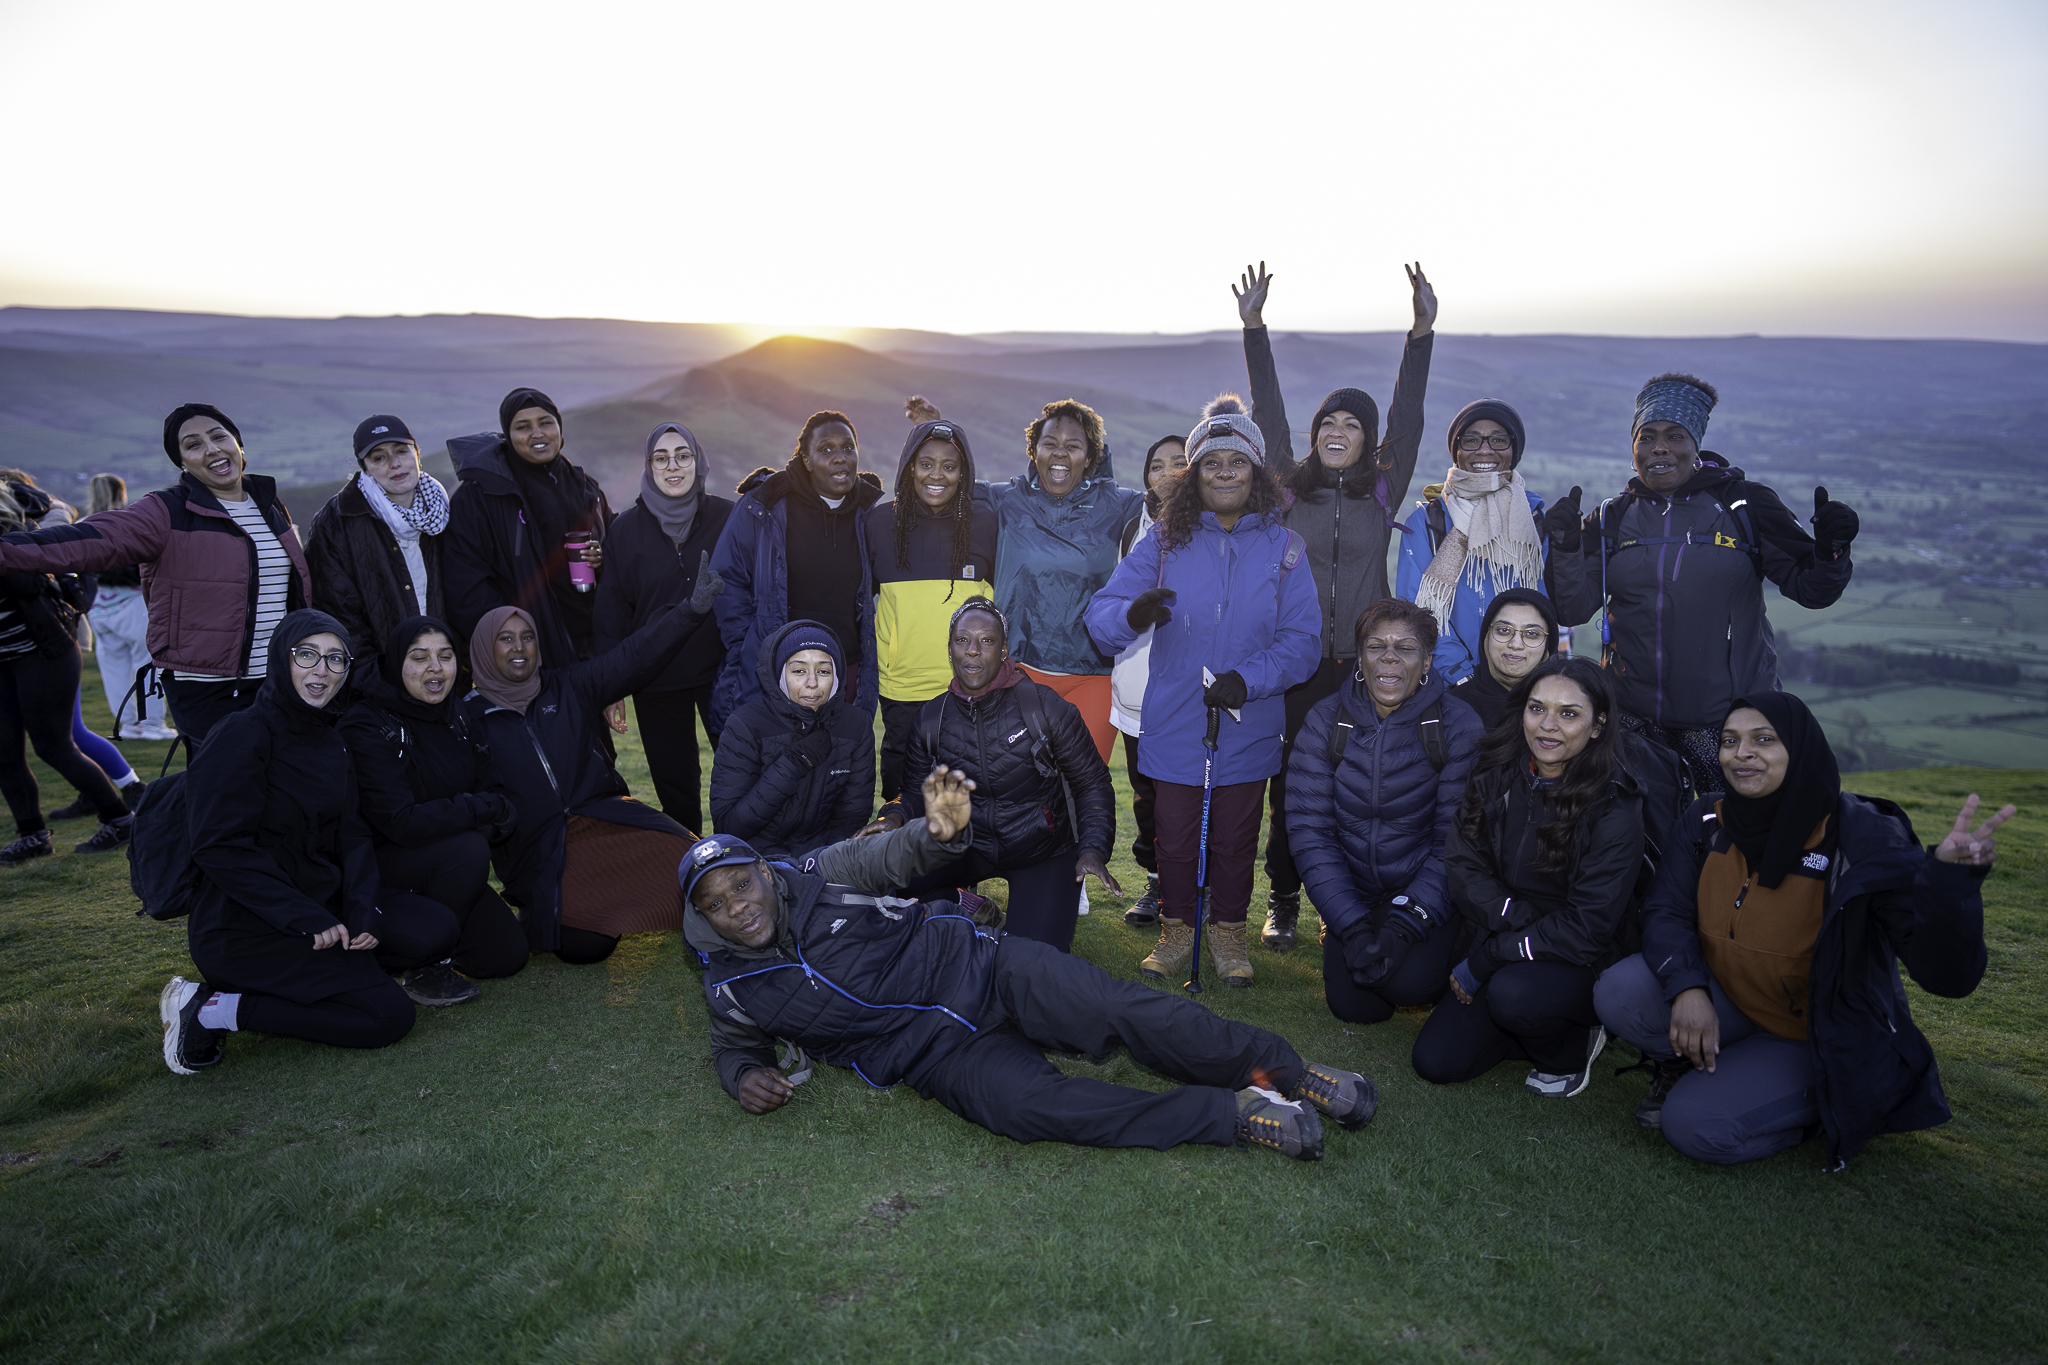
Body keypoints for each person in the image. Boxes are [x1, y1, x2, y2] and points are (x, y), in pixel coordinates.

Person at [683, 767, 1379, 1160]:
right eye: (716, 903)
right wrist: (743, 1073)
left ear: (764, 875)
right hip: (932, 1056)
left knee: (1122, 1009)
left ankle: (1292, 1072)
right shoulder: (730, 984)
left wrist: (935, 832)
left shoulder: (817, 872)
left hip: (985, 965)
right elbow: (733, 1046)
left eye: (742, 883)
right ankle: (1237, 1112)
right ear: (702, 919)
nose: (737, 906)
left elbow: (887, 856)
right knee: (1030, 1107)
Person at [1594, 693, 2014, 1168]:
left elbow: (1948, 979)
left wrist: (1948, 887)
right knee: (1619, 991)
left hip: (1814, 1036)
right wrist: (1688, 987)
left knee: (1695, 1128)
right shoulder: (1708, 818)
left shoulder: (1862, 838)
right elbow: (1666, 909)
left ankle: (1822, 1107)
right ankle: (1705, 1063)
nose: (1741, 753)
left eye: (1763, 740)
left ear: (1801, 749)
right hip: (1731, 1000)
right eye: (1729, 741)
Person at [1233, 261, 1438, 950]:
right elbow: (1268, 410)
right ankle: (1284, 900)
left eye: (1351, 422)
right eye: (1330, 419)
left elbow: (1409, 418)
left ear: (1366, 436)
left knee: (1354, 789)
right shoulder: (1290, 484)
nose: (1337, 428)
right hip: (1296, 665)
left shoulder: (1383, 489)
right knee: (1292, 785)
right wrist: (1254, 327)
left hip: (1358, 665)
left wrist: (1421, 333)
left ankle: (1341, 899)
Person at [1085, 396, 1321, 987]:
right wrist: (1132, 617)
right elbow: (1103, 614)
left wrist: (1251, 679)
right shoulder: (1162, 543)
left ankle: (1228, 935)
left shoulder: (1286, 550)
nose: (1224, 472)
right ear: (1193, 476)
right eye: (1210, 462)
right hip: (1175, 718)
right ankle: (1175, 934)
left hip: (1249, 717)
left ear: (1257, 473)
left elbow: (1303, 642)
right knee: (1178, 835)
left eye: (1236, 463)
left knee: (1239, 838)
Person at [1543, 373, 1858, 795]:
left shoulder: (1745, 504)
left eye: (1675, 436)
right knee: (1643, 846)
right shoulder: (1612, 518)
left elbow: (1812, 590)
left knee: (1729, 838)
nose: (1660, 447)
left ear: (1696, 446)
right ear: (1633, 448)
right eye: (1647, 436)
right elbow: (1572, 609)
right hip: (1633, 722)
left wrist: (1832, 548)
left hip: (1728, 724)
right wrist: (1564, 547)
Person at [157, 610, 442, 1075]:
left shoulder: (331, 742)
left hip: (319, 913)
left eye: (335, 659)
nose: (321, 671)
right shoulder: (241, 734)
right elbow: (219, 847)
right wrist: (304, 916)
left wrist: (363, 907)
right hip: (244, 926)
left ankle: (330, 980)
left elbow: (352, 835)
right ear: (280, 660)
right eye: (307, 655)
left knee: (430, 930)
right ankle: (209, 1010)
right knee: (387, 1017)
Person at [0, 404, 312, 744]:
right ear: (182, 463)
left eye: (219, 436)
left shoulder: (269, 506)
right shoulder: (166, 511)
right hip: (206, 689)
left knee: (288, 786)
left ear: (238, 445)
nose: (211, 449)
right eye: (193, 445)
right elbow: (86, 540)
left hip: (278, 680)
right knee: (228, 789)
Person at [467, 557, 723, 966]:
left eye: (527, 637)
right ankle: (538, 911)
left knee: (696, 866)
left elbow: (634, 657)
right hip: (541, 847)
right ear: (484, 648)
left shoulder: (569, 685)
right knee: (587, 947)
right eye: (506, 639)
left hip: (607, 821)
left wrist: (689, 612)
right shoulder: (468, 719)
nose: (519, 648)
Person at [1413, 657, 1646, 1098]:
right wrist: (1513, 917)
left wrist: (1490, 957)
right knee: (1436, 1062)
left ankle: (1573, 1044)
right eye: (1537, 708)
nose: (1548, 725)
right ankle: (1520, 1022)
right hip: (1509, 928)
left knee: (1513, 997)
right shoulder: (1496, 771)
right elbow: (1463, 866)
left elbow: (1588, 926)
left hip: (1577, 955)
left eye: (1569, 713)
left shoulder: (1615, 806)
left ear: (1597, 726)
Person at [873, 600, 1118, 952]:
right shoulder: (932, 718)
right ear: (950, 648)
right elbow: (911, 793)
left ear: (1004, 650)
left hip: (1042, 850)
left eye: (986, 641)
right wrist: (893, 816)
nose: (972, 651)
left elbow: (1091, 781)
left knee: (1027, 962)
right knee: (890, 891)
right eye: (962, 640)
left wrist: (1093, 849)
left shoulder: (1044, 708)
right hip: (967, 844)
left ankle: (1007, 920)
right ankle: (963, 906)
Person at [1286, 599, 1484, 1025]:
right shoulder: (1325, 720)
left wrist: (1403, 927)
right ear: (1360, 658)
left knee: (1408, 985)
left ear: (1428, 661)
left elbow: (1455, 844)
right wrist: (1351, 926)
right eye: (1377, 646)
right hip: (1354, 891)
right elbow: (1309, 832)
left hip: (1424, 891)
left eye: (1406, 648)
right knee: (1355, 1006)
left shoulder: (1459, 726)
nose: (1389, 657)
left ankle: (1454, 949)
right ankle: (1349, 930)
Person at [339, 615, 530, 1006]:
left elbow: (492, 792)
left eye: (445, 656)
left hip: (445, 863)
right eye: (419, 657)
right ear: (396, 662)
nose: (435, 668)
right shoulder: (365, 724)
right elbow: (401, 821)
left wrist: (488, 814)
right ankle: (423, 963)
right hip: (384, 866)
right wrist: (479, 812)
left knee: (505, 956)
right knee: (469, 849)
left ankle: (432, 932)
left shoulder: (459, 715)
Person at [983, 398, 1143, 764]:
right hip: (1018, 673)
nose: (1060, 453)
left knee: (1084, 791)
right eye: (1050, 443)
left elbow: (1176, 500)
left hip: (1094, 677)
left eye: (1073, 446)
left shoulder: (1119, 504)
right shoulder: (1007, 499)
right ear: (1033, 451)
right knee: (1020, 788)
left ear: (1090, 457)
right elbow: (943, 483)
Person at [593, 421, 733, 830]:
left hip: (721, 673)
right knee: (676, 788)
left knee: (740, 774)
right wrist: (610, 685)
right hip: (655, 676)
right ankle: (693, 869)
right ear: (649, 466)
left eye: (683, 455)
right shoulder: (624, 530)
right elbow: (610, 614)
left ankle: (745, 865)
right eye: (661, 457)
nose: (673, 466)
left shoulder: (727, 517)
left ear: (698, 461)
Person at [710, 411, 883, 730]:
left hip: (846, 671)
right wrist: (749, 643)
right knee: (780, 770)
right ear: (805, 459)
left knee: (838, 769)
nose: (840, 458)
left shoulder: (870, 513)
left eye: (848, 447)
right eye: (826, 449)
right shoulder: (765, 506)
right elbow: (726, 577)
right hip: (781, 669)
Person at [0, 484, 134, 863]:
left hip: (43, 653)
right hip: (4, 657)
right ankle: (33, 835)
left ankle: (121, 818)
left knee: (53, 746)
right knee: (4, 752)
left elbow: (30, 582)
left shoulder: (15, 536)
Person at [868, 417, 997, 802]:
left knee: (968, 782)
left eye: (949, 466)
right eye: (926, 464)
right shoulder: (879, 523)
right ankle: (901, 858)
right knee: (901, 782)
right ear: (909, 467)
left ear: (964, 473)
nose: (936, 475)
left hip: (969, 681)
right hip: (902, 682)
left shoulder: (985, 522)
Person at [443, 387, 614, 670]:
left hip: (590, 648)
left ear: (559, 427)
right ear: (508, 436)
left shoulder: (584, 485)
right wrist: (510, 638)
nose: (537, 433)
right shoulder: (480, 496)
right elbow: (464, 584)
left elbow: (612, 542)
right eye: (522, 427)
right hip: (529, 653)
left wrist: (603, 556)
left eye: (546, 422)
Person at [1396, 399, 1548, 682]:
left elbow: (1543, 604)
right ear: (1457, 450)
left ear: (1514, 450)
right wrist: (1461, 677)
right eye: (1472, 440)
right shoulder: (1427, 523)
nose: (1485, 450)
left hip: (1520, 680)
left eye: (1498, 440)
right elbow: (1415, 611)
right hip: (1448, 684)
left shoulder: (1533, 520)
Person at [708, 620, 876, 860]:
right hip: (757, 857)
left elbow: (851, 818)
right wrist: (794, 763)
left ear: (837, 676)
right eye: (799, 670)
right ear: (779, 674)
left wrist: (820, 863)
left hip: (824, 856)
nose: (812, 683)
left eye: (823, 671)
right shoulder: (746, 724)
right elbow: (729, 827)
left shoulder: (855, 725)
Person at [1110, 434, 1187, 926]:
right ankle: (1157, 883)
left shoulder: (1207, 527)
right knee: (1145, 794)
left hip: (1186, 688)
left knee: (1185, 795)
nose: (1165, 473)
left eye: (1178, 463)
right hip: (1136, 683)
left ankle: (1193, 888)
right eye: (1156, 465)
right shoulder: (1130, 526)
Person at [306, 415, 451, 669]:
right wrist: (378, 678)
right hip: (379, 679)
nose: (395, 464)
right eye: (379, 457)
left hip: (443, 671)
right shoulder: (338, 520)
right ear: (365, 467)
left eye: (401, 451)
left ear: (417, 453)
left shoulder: (443, 511)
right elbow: (336, 611)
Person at [79, 474, 174, 740]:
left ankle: (129, 725)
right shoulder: (130, 523)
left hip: (98, 606)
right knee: (148, 665)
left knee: (113, 668)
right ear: (121, 494)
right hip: (133, 602)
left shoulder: (82, 524)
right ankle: (153, 725)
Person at [1446, 588, 1559, 732]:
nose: (1515, 645)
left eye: (1531, 633)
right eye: (1504, 630)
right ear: (1487, 636)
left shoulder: (1564, 707)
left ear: (1548, 645)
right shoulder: (1451, 708)